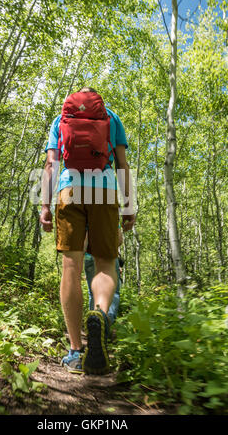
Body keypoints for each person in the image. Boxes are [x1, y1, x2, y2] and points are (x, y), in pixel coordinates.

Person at [40, 87, 135, 375]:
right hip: (104, 190)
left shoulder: (61, 120)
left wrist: (44, 205)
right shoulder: (112, 118)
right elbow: (122, 164)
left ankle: (75, 352)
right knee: (106, 262)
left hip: (68, 189)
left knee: (71, 265)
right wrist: (129, 205)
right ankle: (101, 314)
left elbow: (50, 164)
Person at [84, 228, 123, 327]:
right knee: (114, 292)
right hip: (108, 255)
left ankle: (93, 321)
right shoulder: (109, 213)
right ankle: (106, 321)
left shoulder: (82, 214)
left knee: (93, 293)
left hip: (88, 257)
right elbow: (119, 239)